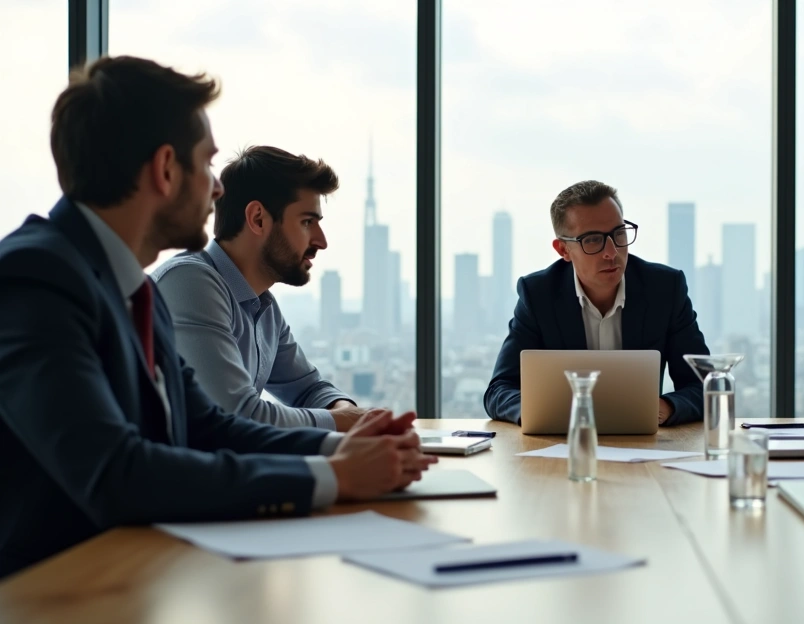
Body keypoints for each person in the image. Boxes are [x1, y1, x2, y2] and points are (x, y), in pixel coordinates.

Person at [0, 56, 435, 579]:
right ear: (165, 169)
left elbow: (207, 427)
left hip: (136, 577)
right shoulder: (36, 277)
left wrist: (344, 446)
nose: (218, 187)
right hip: (52, 596)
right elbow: (117, 472)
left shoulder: (136, 290)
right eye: (206, 164)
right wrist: (332, 477)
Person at [152, 145, 365, 432]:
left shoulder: (263, 307)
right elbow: (235, 415)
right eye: (307, 222)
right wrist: (341, 421)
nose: (321, 241)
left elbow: (308, 389)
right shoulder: (189, 282)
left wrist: (348, 413)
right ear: (258, 219)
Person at [484, 180, 710, 426]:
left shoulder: (665, 288)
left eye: (619, 234)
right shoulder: (538, 294)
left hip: (645, 448)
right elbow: (499, 391)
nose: (611, 252)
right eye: (593, 240)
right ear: (563, 250)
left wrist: (666, 407)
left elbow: (705, 385)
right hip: (562, 446)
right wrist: (544, 412)